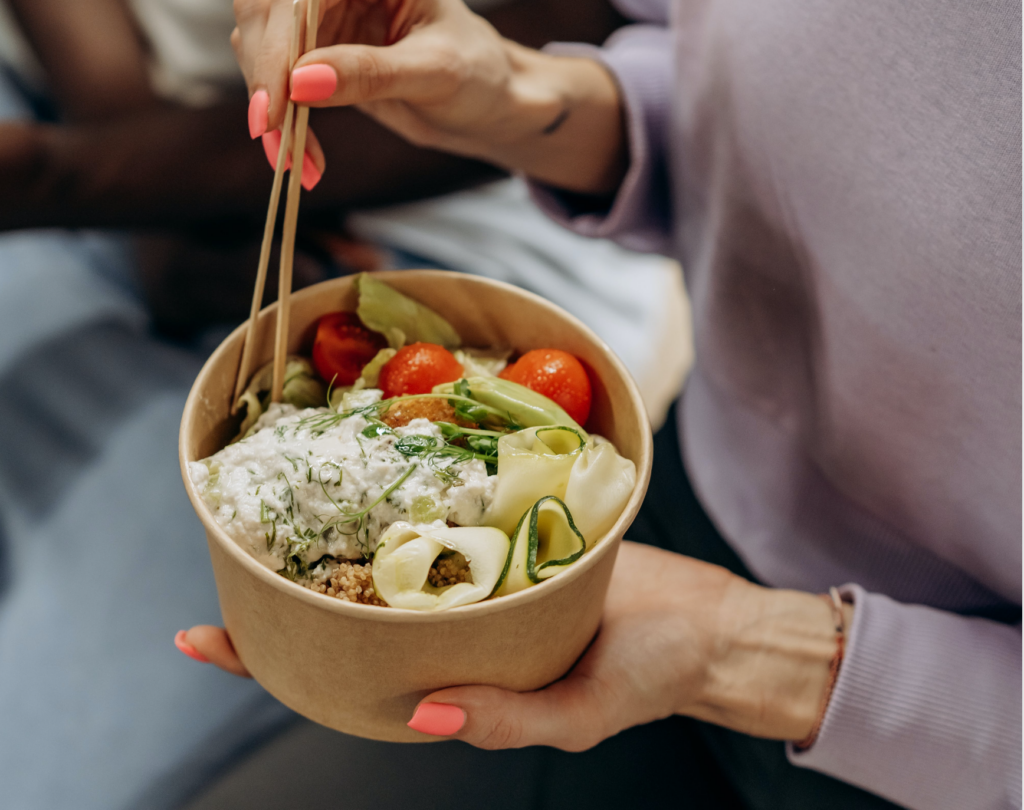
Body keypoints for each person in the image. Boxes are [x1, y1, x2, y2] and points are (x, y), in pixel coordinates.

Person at [182, 1, 1022, 808]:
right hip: (655, 520)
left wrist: (746, 648)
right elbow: (715, 85)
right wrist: (522, 98)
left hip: (946, 730)